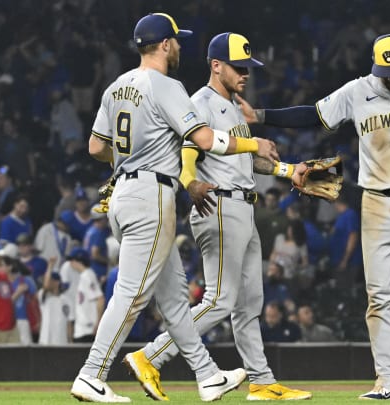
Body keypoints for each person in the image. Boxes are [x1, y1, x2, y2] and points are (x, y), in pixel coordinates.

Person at [238, 33, 390, 401]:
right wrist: (261, 116)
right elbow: (314, 115)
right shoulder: (359, 90)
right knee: (380, 296)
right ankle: (386, 381)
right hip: (376, 202)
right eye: (384, 71)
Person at [70, 13, 279, 403]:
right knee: (131, 294)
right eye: (177, 41)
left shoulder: (117, 86)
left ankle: (207, 374)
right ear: (165, 44)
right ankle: (92, 373)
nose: (180, 47)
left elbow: (97, 148)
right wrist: (253, 145)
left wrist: (130, 162)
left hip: (125, 193)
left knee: (174, 296)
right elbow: (203, 138)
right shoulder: (165, 84)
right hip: (151, 196)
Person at [123, 31, 311, 401]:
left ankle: (260, 381)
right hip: (220, 206)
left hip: (243, 204)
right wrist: (190, 182)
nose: (245, 73)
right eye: (237, 67)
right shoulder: (200, 103)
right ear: (215, 65)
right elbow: (188, 154)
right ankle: (150, 355)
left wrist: (290, 172)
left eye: (247, 67)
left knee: (249, 304)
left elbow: (246, 160)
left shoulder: (235, 106)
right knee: (219, 300)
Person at [67, 247, 104, 343]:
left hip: (88, 330)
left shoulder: (88, 275)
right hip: (82, 330)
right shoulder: (84, 275)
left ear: (79, 261)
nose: (70, 263)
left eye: (72, 260)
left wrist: (98, 323)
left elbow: (100, 299)